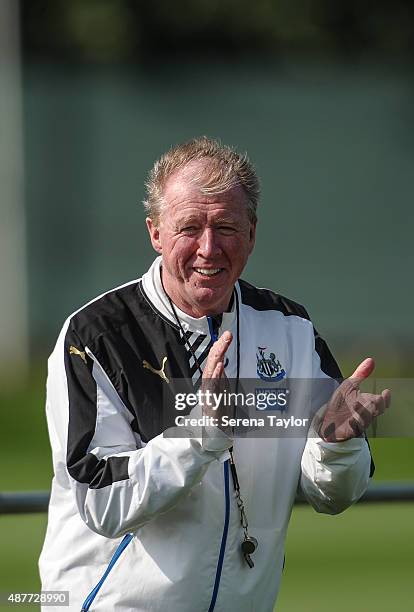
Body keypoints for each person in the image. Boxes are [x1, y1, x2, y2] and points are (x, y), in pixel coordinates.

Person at [39, 136, 391, 612]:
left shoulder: (289, 328)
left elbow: (333, 495)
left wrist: (335, 444)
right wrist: (203, 432)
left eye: (226, 226)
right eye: (190, 227)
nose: (209, 248)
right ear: (155, 233)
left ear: (252, 232)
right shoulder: (95, 335)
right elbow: (100, 501)